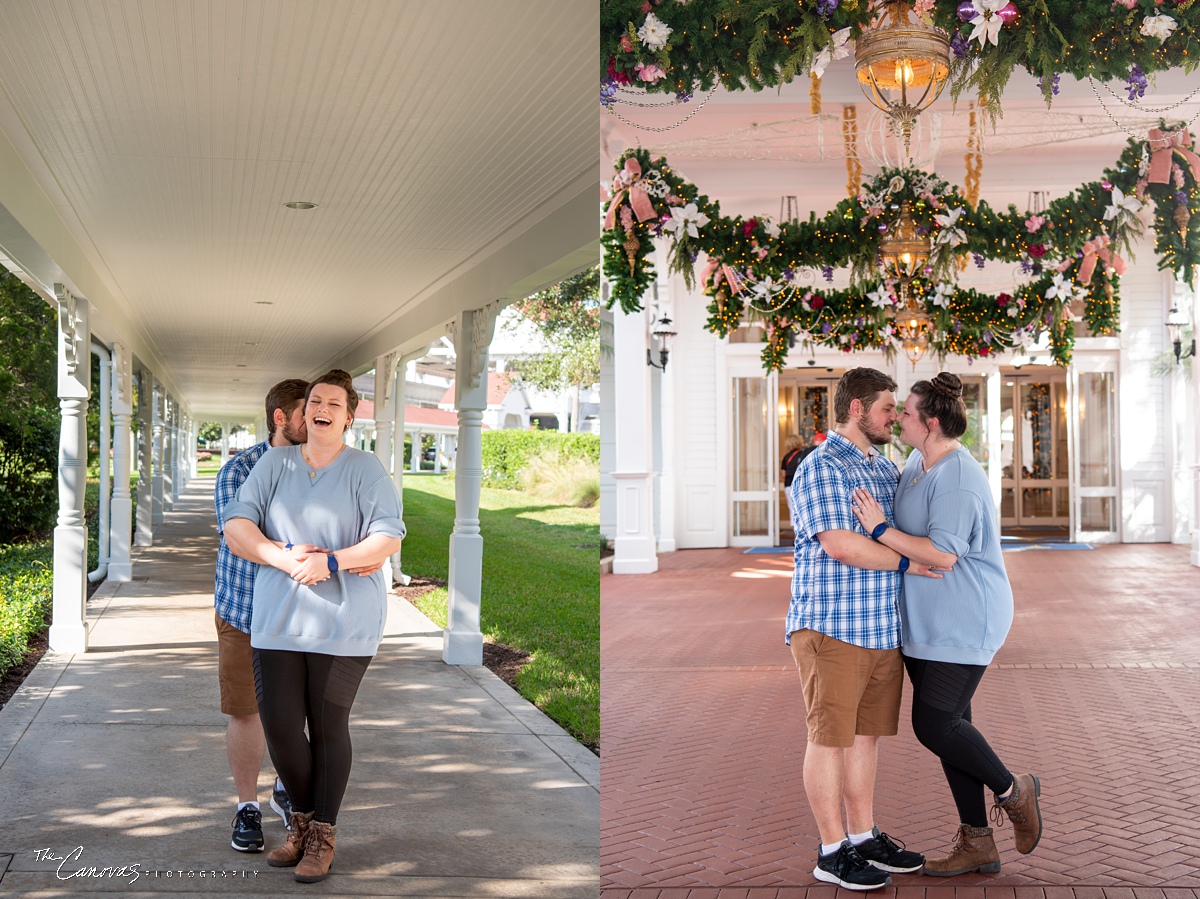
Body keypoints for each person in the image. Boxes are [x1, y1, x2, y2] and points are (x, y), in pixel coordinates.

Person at [850, 372, 1042, 877]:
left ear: (929, 423)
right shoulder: (916, 460)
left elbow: (944, 554)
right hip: (925, 621)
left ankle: (1013, 789)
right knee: (955, 727)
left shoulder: (956, 476)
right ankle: (978, 842)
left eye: (905, 413)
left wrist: (879, 530)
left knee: (934, 725)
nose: (898, 419)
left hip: (964, 617)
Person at [222, 369, 405, 884]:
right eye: (314, 402)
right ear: (302, 414)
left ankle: (321, 833)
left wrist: (334, 561)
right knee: (280, 727)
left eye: (334, 403)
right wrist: (284, 557)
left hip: (345, 621)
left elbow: (387, 537)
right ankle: (302, 823)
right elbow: (238, 527)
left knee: (326, 728)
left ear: (349, 416)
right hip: (278, 618)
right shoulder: (274, 464)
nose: (321, 409)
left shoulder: (366, 468)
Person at [785, 368, 941, 891]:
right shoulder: (823, 465)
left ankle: (864, 835)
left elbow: (896, 532)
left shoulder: (885, 467)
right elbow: (839, 543)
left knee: (865, 739)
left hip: (880, 627)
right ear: (856, 408)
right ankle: (832, 851)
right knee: (829, 739)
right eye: (887, 409)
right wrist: (909, 565)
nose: (895, 417)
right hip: (831, 624)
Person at [214, 378, 309, 853]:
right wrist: (297, 554)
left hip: (302, 614)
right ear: (281, 418)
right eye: (306, 411)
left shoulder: (324, 468)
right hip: (244, 612)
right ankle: (246, 806)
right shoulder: (240, 469)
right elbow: (239, 536)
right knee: (246, 712)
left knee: (297, 716)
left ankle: (286, 791)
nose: (315, 419)